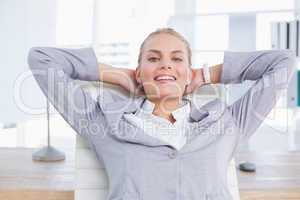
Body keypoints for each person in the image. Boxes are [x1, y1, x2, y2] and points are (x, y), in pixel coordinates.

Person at [27, 28, 295, 200]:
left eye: (177, 59)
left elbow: (282, 63)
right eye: (153, 59)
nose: (166, 63)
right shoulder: (103, 121)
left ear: (188, 71)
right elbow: (42, 59)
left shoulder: (228, 122)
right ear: (139, 71)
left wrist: (206, 74)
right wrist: (116, 74)